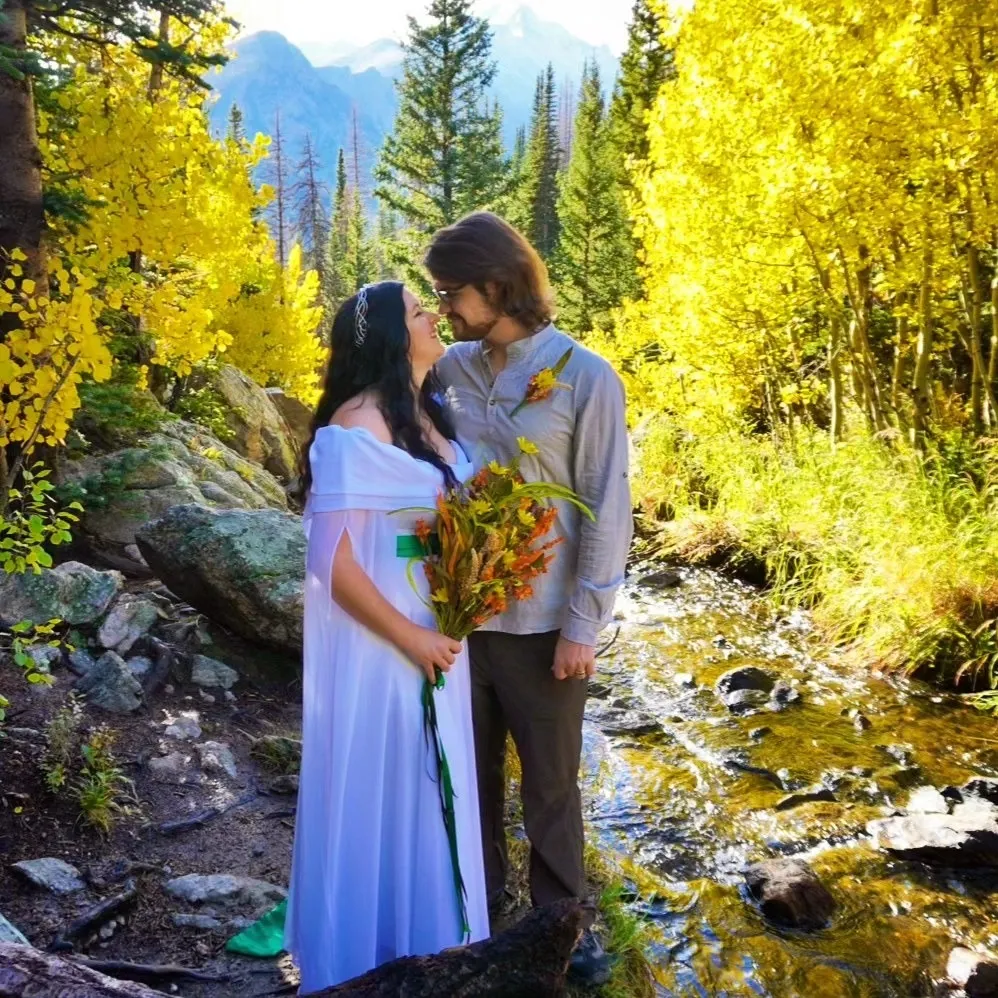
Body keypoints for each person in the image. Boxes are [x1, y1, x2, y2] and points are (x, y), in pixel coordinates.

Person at [427, 212, 633, 984]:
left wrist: (585, 625)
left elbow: (606, 506)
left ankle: (563, 931)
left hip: (545, 625)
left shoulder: (585, 375)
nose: (445, 306)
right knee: (468, 782)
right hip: (457, 619)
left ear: (497, 283)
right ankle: (478, 921)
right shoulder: (447, 368)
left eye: (452, 292)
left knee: (549, 788)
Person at [284, 281, 489, 992]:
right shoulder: (355, 424)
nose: (433, 318)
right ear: (390, 339)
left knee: (430, 781)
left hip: (436, 624)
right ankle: (368, 957)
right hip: (386, 638)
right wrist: (408, 636)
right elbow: (330, 562)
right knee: (393, 775)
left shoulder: (429, 417)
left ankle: (430, 948)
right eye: (417, 313)